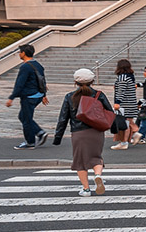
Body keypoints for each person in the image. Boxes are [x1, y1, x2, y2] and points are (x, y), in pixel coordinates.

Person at [52, 68, 113, 196]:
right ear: (92, 81)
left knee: (80, 161)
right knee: (96, 157)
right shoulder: (99, 95)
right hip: (96, 131)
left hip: (79, 132)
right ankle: (98, 175)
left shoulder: (70, 97)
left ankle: (86, 189)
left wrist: (58, 137)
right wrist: (114, 129)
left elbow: (63, 118)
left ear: (75, 81)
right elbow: (109, 112)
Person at [6, 44, 49, 150]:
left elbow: (19, 84)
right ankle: (39, 132)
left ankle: (30, 142)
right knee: (23, 116)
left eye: (19, 52)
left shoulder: (25, 67)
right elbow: (43, 81)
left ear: (23, 53)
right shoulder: (38, 65)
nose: (19, 54)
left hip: (29, 96)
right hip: (38, 95)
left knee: (26, 120)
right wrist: (44, 95)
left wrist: (11, 97)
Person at [110, 59, 140, 150]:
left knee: (124, 123)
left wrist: (117, 102)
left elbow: (121, 91)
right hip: (131, 102)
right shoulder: (130, 77)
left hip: (125, 104)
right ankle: (132, 136)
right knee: (129, 122)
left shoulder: (122, 78)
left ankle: (125, 141)